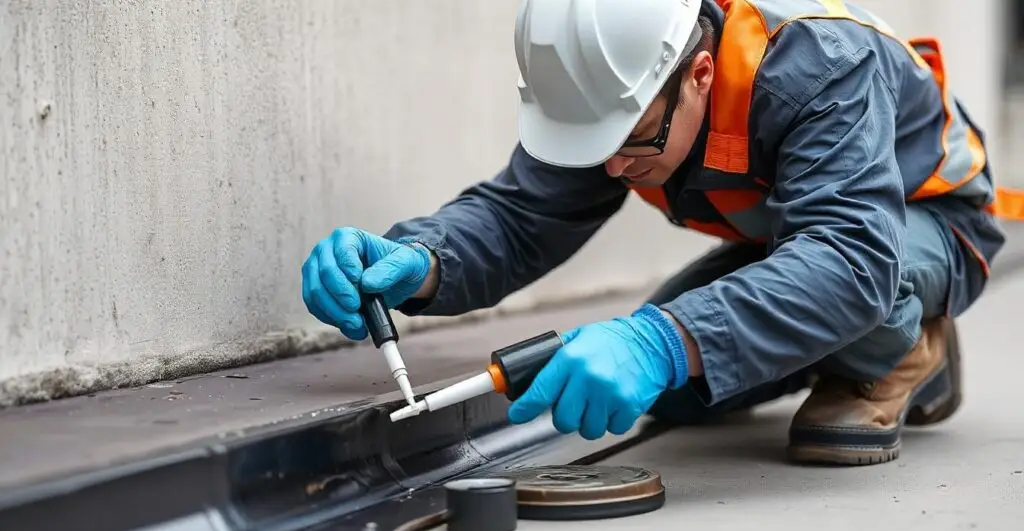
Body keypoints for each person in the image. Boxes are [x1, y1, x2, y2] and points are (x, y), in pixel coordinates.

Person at [302, 0, 1021, 466]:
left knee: (845, 290)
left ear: (701, 74)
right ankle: (836, 334)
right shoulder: (622, 92)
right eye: (594, 146)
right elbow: (520, 215)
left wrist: (662, 339)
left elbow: (848, 258)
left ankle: (906, 346)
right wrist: (423, 257)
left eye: (634, 144)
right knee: (675, 393)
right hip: (806, 232)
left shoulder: (820, 67)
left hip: (925, 226)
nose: (613, 166)